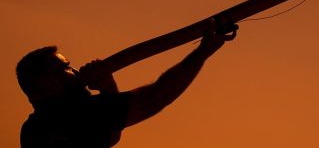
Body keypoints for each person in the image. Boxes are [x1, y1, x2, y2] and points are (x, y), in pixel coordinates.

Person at [16, 26, 237, 148]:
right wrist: (203, 52)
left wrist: (108, 88)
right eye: (67, 67)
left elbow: (109, 137)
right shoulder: (77, 113)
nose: (74, 72)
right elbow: (156, 97)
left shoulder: (32, 129)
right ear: (49, 81)